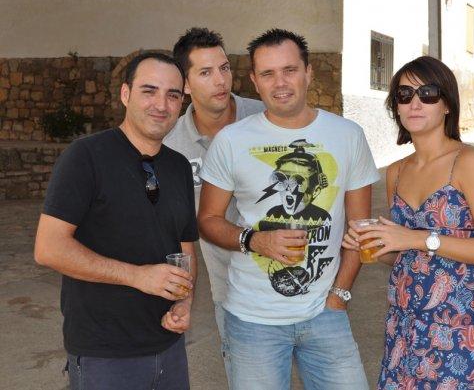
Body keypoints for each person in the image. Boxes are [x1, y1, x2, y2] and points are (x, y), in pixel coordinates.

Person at [197, 28, 378, 390]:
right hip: (252, 319)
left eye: (289, 70)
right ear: (254, 81)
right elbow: (208, 220)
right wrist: (255, 241)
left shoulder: (348, 135)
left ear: (308, 73)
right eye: (268, 73)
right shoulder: (231, 141)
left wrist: (339, 296)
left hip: (326, 314)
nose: (280, 83)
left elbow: (360, 229)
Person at [33, 52, 198, 390]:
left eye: (173, 95)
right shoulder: (85, 156)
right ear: (125, 94)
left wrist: (184, 300)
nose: (161, 105)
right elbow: (48, 248)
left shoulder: (179, 166)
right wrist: (137, 276)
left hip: (169, 347)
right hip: (105, 355)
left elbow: (185, 246)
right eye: (149, 91)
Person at [342, 56, 474, 389]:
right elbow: (405, 255)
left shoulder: (468, 162)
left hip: (456, 328)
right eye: (404, 95)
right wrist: (377, 244)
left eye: (427, 93)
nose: (415, 103)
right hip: (405, 326)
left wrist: (416, 238)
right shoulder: (396, 171)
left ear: (447, 104)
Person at [164, 27, 264, 383]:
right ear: (185, 85)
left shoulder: (266, 117)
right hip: (231, 289)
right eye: (205, 72)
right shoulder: (172, 145)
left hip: (294, 277)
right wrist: (182, 294)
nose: (220, 80)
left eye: (224, 68)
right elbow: (175, 229)